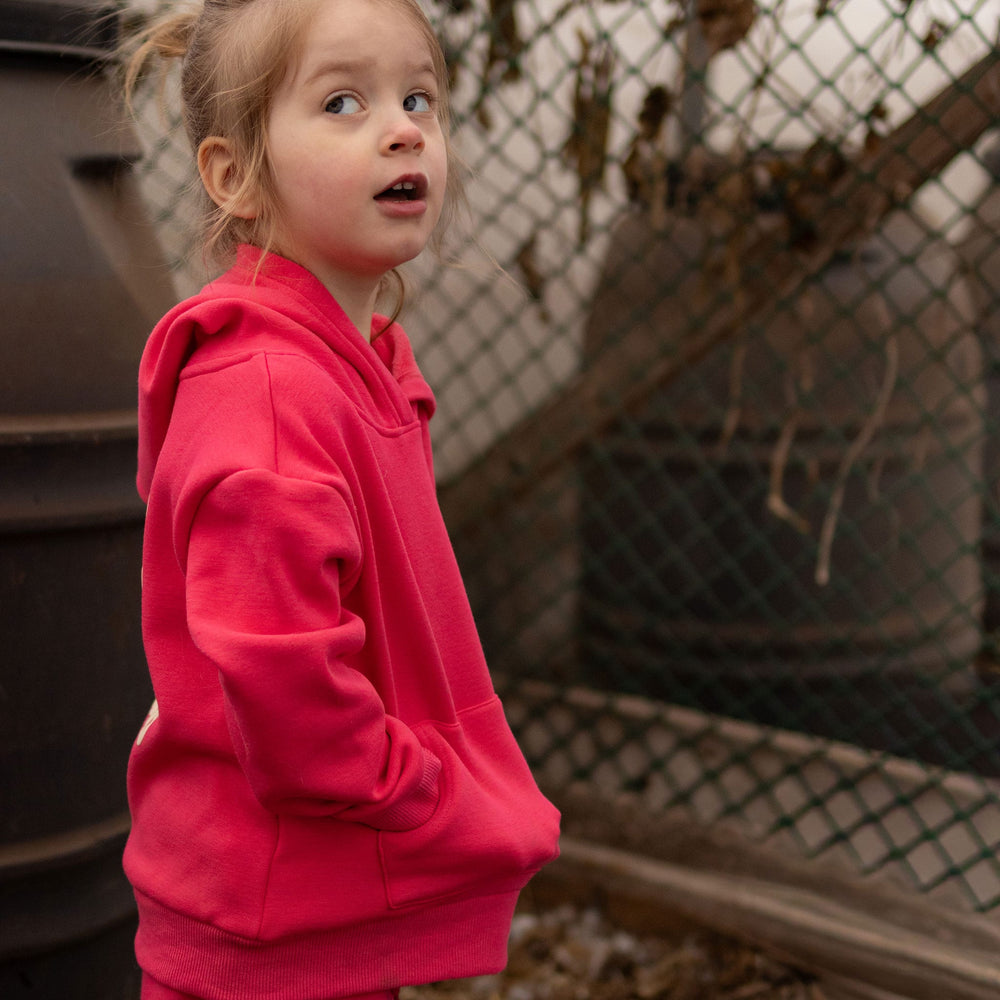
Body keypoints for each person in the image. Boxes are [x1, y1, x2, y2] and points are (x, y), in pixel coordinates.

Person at [119, 1, 561, 998]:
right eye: (342, 103)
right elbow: (292, 703)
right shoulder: (273, 398)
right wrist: (426, 791)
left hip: (313, 903)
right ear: (233, 175)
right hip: (271, 939)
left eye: (418, 98)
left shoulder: (354, 362)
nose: (402, 128)